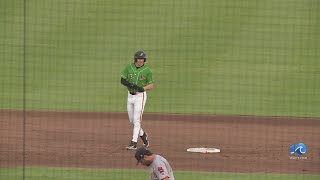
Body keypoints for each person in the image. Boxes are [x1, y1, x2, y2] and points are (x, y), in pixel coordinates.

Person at [120, 51, 154, 150]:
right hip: (130, 96)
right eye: (139, 59)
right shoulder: (128, 67)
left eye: (142, 59)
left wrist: (143, 89)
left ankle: (133, 142)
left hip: (140, 97)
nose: (141, 61)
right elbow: (122, 80)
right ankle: (143, 136)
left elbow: (151, 85)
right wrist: (131, 86)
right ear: (135, 59)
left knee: (137, 120)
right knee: (132, 121)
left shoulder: (147, 70)